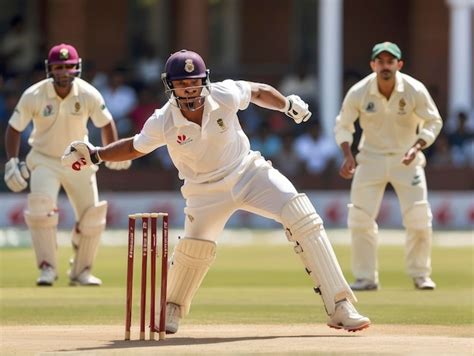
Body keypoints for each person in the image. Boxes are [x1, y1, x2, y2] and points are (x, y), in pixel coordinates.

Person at [62, 49, 370, 333]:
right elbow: (134, 146)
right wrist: (96, 154)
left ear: (204, 80)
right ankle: (172, 308)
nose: (190, 89)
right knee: (194, 250)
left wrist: (287, 104)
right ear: (170, 86)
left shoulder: (223, 93)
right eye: (182, 84)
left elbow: (258, 91)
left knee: (302, 215)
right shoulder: (164, 120)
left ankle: (340, 305)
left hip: (248, 172)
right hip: (203, 191)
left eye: (195, 82)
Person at [3, 43, 131, 286]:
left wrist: (112, 152)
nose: (63, 72)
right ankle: (47, 268)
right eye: (59, 67)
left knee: (92, 216)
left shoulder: (88, 93)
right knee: (40, 209)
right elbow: (14, 127)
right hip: (43, 159)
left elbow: (106, 122)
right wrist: (12, 160)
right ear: (50, 69)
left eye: (68, 67)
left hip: (78, 159)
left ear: (77, 68)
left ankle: (81, 271)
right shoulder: (34, 94)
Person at [334, 42, 442, 291]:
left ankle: (420, 275)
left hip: (407, 157)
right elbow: (343, 124)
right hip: (370, 158)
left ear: (399, 64)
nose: (385, 66)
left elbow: (433, 121)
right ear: (373, 65)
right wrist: (348, 154)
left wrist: (417, 146)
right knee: (360, 217)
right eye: (380, 61)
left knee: (418, 217)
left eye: (390, 61)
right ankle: (365, 277)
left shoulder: (414, 89)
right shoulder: (359, 91)